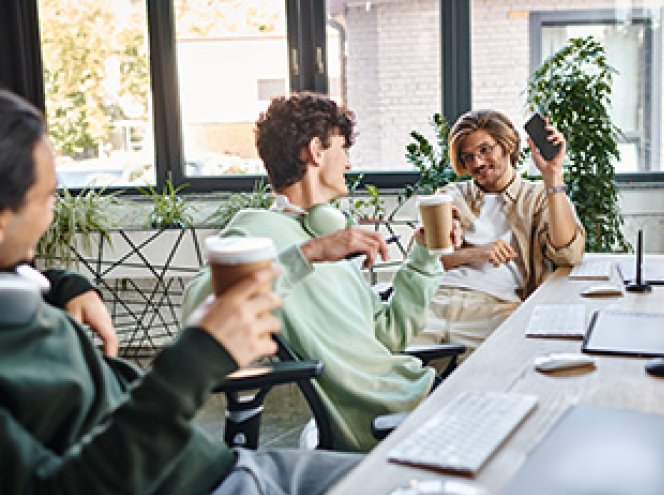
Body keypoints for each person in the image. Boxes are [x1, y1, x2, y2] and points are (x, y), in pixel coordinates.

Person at [0, 89, 360, 495]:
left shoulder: (21, 297)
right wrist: (197, 357)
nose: (53, 212)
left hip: (219, 466)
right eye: (48, 196)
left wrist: (66, 284)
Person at [183, 92, 461, 452]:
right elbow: (197, 311)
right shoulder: (256, 230)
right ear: (315, 150)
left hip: (416, 389)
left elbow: (388, 336)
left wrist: (424, 256)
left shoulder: (325, 231)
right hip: (389, 412)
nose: (347, 164)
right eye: (343, 149)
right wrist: (308, 254)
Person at [411, 109, 585, 356]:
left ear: (507, 146)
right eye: (468, 157)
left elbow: (569, 254)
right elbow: (425, 258)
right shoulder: (452, 196)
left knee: (495, 378)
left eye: (485, 150)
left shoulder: (537, 197)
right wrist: (478, 253)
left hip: (495, 307)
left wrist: (552, 176)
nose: (477, 163)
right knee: (395, 377)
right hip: (433, 302)